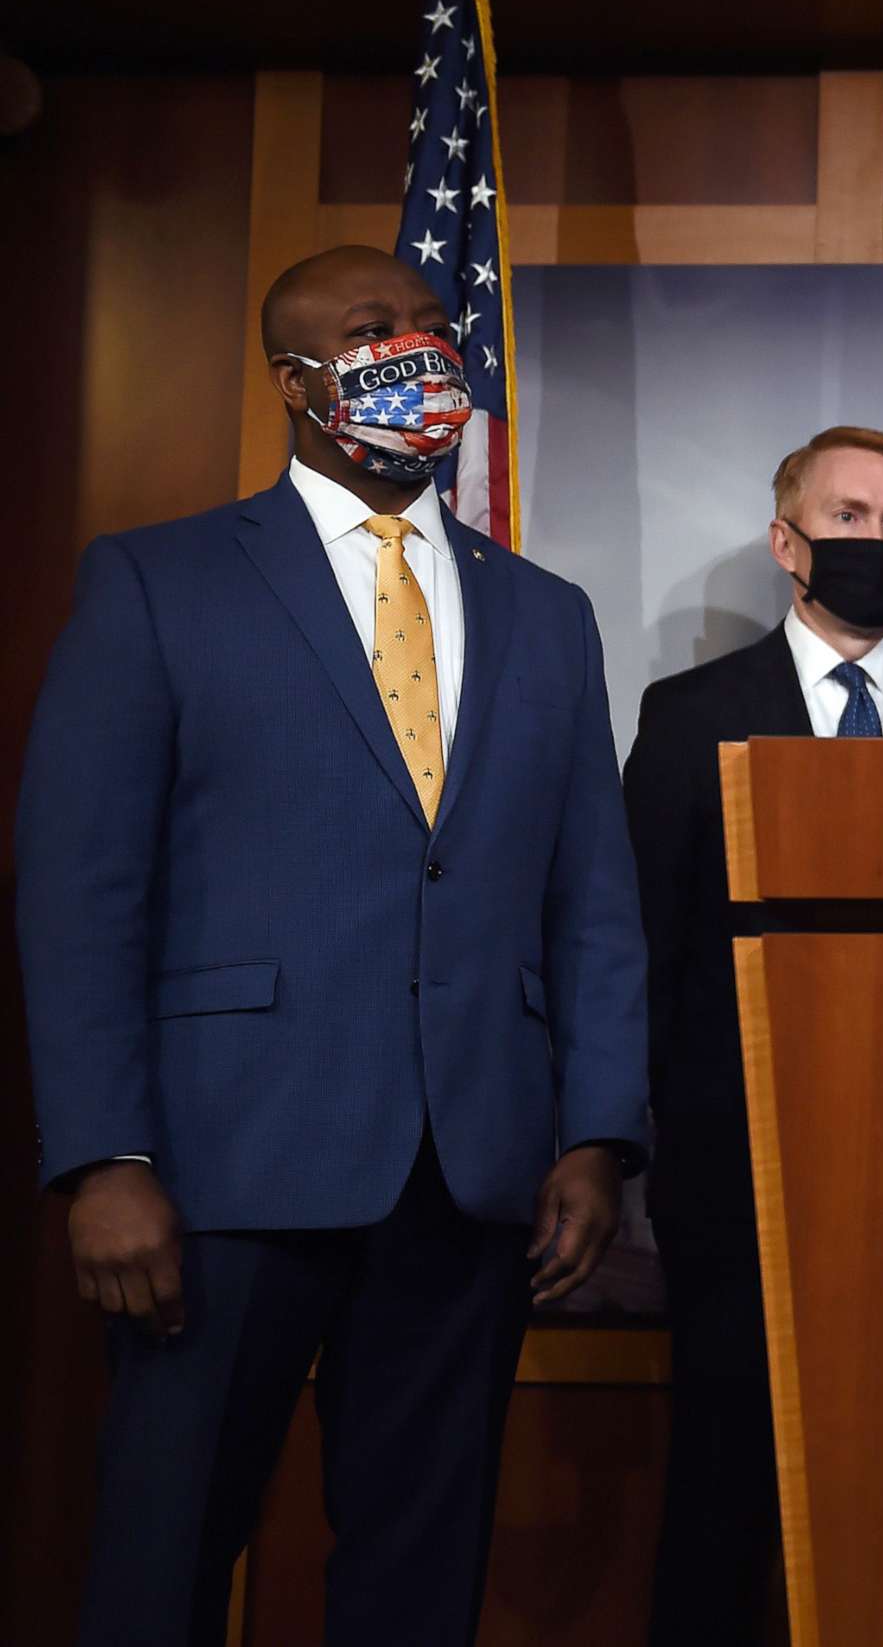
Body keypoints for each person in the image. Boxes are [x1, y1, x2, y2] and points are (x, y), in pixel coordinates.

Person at [16, 245, 647, 1645]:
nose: (421, 352)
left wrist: (598, 1134)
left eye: (434, 327)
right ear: (300, 381)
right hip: (217, 1175)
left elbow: (591, 898)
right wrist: (102, 1156)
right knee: (161, 1560)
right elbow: (80, 893)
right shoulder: (155, 582)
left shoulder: (548, 613)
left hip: (470, 1178)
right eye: (377, 331)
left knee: (421, 1581)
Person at [622, 425, 883, 1642]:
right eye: (848, 518)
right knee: (723, 1493)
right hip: (736, 1180)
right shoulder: (689, 717)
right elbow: (642, 945)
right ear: (788, 542)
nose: (874, 543)